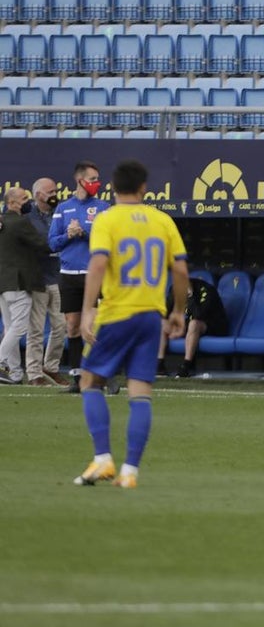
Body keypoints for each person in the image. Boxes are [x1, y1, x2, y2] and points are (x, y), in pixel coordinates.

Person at [72, 159, 189, 489]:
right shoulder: (162, 220)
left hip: (116, 313)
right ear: (143, 188)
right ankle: (130, 472)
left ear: (112, 186)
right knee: (140, 393)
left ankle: (103, 460)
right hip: (151, 317)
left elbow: (97, 264)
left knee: (89, 382)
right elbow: (180, 271)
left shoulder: (107, 219)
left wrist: (88, 309)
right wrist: (178, 310)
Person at [49, 160, 110, 393]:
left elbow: (106, 240)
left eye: (97, 180)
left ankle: (100, 376)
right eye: (93, 180)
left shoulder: (103, 207)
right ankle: (77, 378)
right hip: (68, 275)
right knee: (73, 327)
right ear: (79, 180)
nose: (97, 184)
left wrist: (83, 233)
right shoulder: (63, 208)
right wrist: (68, 234)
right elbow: (52, 242)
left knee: (92, 327)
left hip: (93, 274)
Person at [0, 188, 51, 385]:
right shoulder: (20, 222)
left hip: (3, 283)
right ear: (12, 202)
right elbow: (43, 245)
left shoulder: (3, 222)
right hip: (18, 283)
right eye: (24, 199)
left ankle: (13, 373)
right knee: (19, 327)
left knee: (10, 328)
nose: (27, 202)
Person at [25, 178, 68, 386]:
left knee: (61, 326)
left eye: (55, 190)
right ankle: (34, 373)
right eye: (50, 191)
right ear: (38, 195)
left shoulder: (59, 213)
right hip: (38, 278)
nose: (54, 194)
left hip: (58, 276)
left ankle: (51, 367)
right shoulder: (27, 217)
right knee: (36, 328)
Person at [157, 277, 229, 378]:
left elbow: (199, 315)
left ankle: (186, 366)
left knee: (194, 323)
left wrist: (190, 295)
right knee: (162, 323)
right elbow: (165, 312)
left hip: (214, 326)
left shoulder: (206, 290)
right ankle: (160, 365)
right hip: (189, 326)